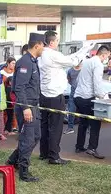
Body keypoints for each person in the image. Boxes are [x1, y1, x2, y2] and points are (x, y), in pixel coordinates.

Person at [38, 30, 86, 165]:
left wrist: (80, 51)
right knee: (56, 127)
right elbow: (72, 61)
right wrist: (84, 51)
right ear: (52, 42)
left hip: (44, 94)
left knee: (45, 125)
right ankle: (54, 156)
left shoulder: (42, 55)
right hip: (55, 96)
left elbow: (67, 59)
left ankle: (44, 152)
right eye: (57, 41)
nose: (58, 43)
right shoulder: (53, 54)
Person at [6, 33, 46, 182]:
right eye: (43, 45)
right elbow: (19, 87)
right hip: (26, 106)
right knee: (28, 138)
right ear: (37, 45)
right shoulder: (25, 62)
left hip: (33, 105)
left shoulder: (33, 61)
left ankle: (13, 160)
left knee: (36, 136)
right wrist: (25, 108)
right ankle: (23, 171)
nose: (43, 49)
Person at [74, 46, 111, 159]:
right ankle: (92, 148)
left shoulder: (86, 62)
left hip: (78, 96)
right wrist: (103, 96)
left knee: (83, 122)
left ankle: (79, 146)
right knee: (95, 123)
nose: (107, 59)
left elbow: (77, 79)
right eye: (107, 56)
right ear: (103, 55)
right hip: (87, 98)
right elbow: (97, 83)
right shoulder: (98, 64)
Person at [64, 61, 82, 135]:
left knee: (84, 110)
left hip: (82, 92)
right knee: (71, 110)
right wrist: (74, 85)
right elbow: (69, 80)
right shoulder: (70, 70)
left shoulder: (83, 70)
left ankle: (88, 128)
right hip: (73, 91)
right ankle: (70, 128)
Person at [1, 57, 18, 135]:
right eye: (12, 63)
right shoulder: (2, 73)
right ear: (8, 63)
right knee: (5, 114)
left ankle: (13, 128)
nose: (14, 65)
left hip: (14, 97)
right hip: (5, 96)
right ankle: (4, 129)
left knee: (13, 114)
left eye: (15, 63)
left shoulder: (16, 72)